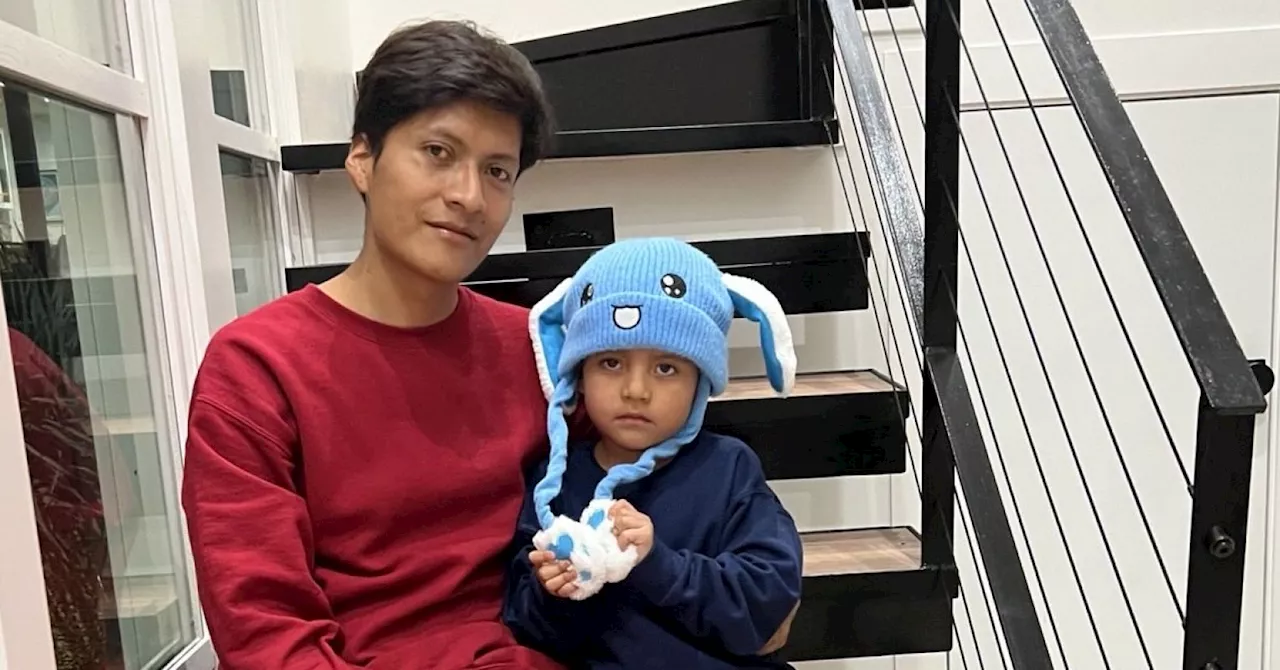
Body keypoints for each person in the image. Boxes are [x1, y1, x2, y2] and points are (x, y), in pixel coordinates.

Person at [180, 20, 566, 669]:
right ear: (362, 159)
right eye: (438, 152)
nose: (468, 196)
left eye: (497, 170)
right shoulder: (255, 367)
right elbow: (265, 631)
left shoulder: (535, 348)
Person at [503, 238, 805, 669]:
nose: (636, 390)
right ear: (577, 377)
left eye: (666, 368)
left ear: (700, 382)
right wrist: (552, 591)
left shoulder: (729, 470)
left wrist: (657, 563)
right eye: (611, 363)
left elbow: (766, 606)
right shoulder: (555, 484)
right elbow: (525, 624)